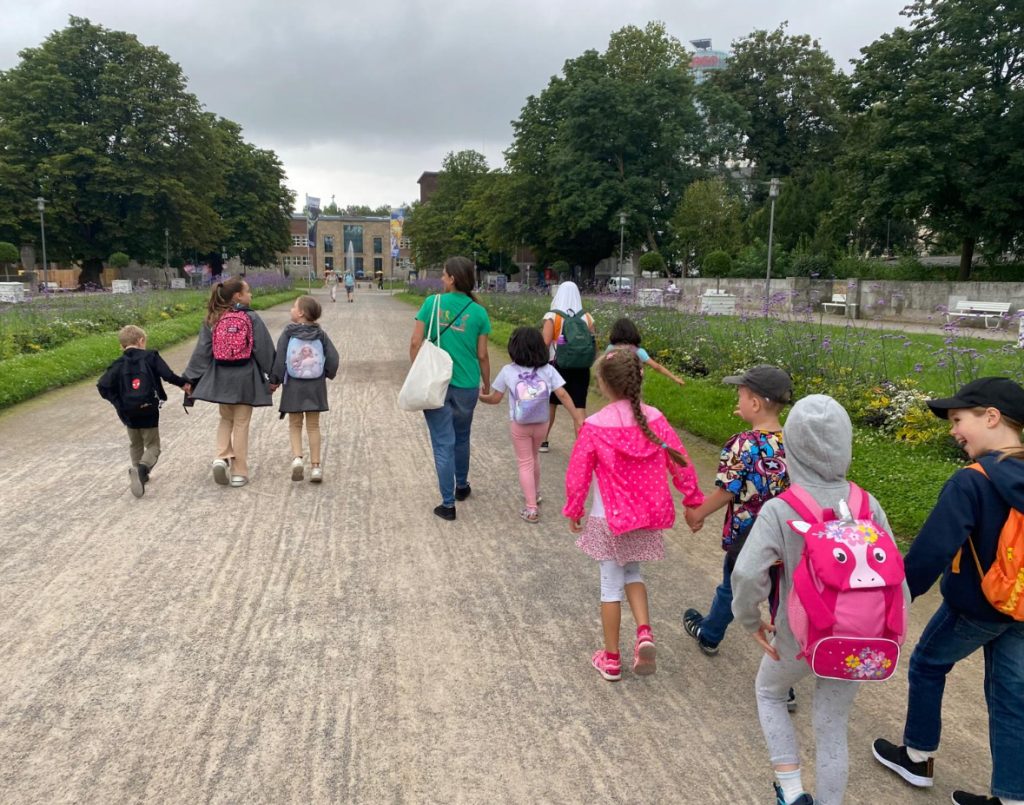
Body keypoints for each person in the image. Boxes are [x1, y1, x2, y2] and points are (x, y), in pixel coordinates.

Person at [732, 394, 908, 805]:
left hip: (799, 635)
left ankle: (792, 792)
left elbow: (746, 573)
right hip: (859, 642)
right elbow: (898, 578)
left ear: (790, 448)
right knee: (832, 727)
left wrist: (749, 620)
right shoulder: (868, 504)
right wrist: (889, 633)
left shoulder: (781, 509)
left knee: (770, 693)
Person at [872, 377, 1024, 805]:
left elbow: (933, 549)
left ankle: (917, 757)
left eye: (959, 419)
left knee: (926, 663)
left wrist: (897, 598)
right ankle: (1014, 796)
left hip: (975, 607)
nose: (953, 429)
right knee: (1011, 695)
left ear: (991, 416)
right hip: (1021, 607)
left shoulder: (972, 481)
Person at [563, 349, 704, 681]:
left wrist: (574, 507)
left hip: (608, 518)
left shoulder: (595, 425)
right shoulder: (655, 418)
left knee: (610, 586)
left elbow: (578, 472)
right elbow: (680, 460)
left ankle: (611, 659)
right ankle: (644, 632)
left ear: (604, 385)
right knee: (634, 574)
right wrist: (692, 499)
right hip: (644, 516)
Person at [682, 365, 792, 655]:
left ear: (755, 404)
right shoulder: (793, 442)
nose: (737, 401)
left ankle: (709, 633)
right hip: (785, 538)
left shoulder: (743, 444)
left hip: (747, 538)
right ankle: (782, 666)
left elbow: (727, 490)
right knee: (780, 599)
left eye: (740, 396)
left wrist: (697, 513)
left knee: (733, 587)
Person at [409, 256, 491, 520]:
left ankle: (447, 504)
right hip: (467, 384)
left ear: (453, 278)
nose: (441, 279)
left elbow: (415, 342)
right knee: (462, 437)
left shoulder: (431, 303)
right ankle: (462, 486)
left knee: (443, 442)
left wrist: (417, 371)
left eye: (444, 275)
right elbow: (482, 354)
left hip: (437, 384)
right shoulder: (479, 312)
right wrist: (487, 383)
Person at [479, 327, 585, 522]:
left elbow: (495, 398)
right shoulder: (548, 369)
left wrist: (481, 398)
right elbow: (562, 394)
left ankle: (531, 508)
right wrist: (577, 417)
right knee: (534, 457)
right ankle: (535, 494)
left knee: (524, 462)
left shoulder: (508, 371)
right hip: (542, 422)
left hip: (520, 424)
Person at [183, 278, 275, 488]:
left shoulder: (214, 318)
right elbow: (264, 350)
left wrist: (190, 378)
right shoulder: (250, 318)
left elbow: (202, 353)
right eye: (248, 292)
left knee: (226, 418)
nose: (251, 295)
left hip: (221, 376)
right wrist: (274, 376)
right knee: (241, 423)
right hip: (246, 377)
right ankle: (239, 472)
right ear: (238, 296)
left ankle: (220, 456)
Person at [97, 325, 191, 498]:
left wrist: (118, 403)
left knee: (135, 443)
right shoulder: (151, 356)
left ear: (122, 346)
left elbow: (102, 385)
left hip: (128, 411)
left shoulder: (118, 364)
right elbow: (167, 375)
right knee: (153, 445)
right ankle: (142, 470)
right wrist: (184, 384)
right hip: (148, 408)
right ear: (141, 341)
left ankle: (138, 472)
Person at [268, 295, 339, 484]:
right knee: (314, 426)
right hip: (315, 386)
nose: (291, 309)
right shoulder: (321, 334)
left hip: (293, 385)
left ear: (300, 313)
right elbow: (333, 358)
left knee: (295, 424)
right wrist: (325, 374)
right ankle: (316, 467)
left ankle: (298, 458)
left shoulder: (288, 333)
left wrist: (274, 380)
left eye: (293, 307)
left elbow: (280, 358)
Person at [540, 281, 595, 453]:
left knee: (551, 404)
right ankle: (582, 446)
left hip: (556, 365)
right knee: (579, 406)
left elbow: (545, 343)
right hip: (581, 367)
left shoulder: (553, 316)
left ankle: (543, 440)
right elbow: (593, 343)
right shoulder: (587, 317)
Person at [605, 317, 687, 387]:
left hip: (614, 383)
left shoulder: (610, 348)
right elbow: (657, 367)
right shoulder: (639, 352)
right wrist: (675, 378)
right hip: (634, 383)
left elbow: (604, 365)